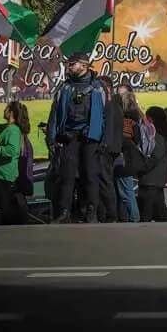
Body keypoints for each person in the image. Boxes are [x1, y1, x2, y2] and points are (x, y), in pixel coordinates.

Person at [45, 53, 106, 223]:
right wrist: (51, 138)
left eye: (72, 64)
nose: (68, 67)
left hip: (90, 137)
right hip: (69, 137)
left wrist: (104, 139)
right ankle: (64, 212)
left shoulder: (98, 87)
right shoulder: (65, 88)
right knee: (67, 176)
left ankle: (91, 211)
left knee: (90, 175)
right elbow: (54, 114)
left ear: (84, 65)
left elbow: (105, 115)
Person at [131, 107, 167, 222]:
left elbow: (155, 157)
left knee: (147, 212)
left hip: (151, 179)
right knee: (160, 211)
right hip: (155, 179)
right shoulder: (161, 134)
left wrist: (142, 168)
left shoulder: (157, 136)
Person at [97, 76, 125, 224]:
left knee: (105, 181)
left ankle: (109, 214)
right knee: (105, 181)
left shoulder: (109, 105)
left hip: (106, 148)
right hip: (112, 147)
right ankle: (108, 213)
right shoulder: (115, 105)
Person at [114, 87, 143, 222]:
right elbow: (137, 140)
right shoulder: (135, 121)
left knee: (126, 193)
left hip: (123, 161)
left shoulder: (123, 122)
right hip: (130, 161)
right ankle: (129, 218)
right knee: (126, 192)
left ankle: (133, 218)